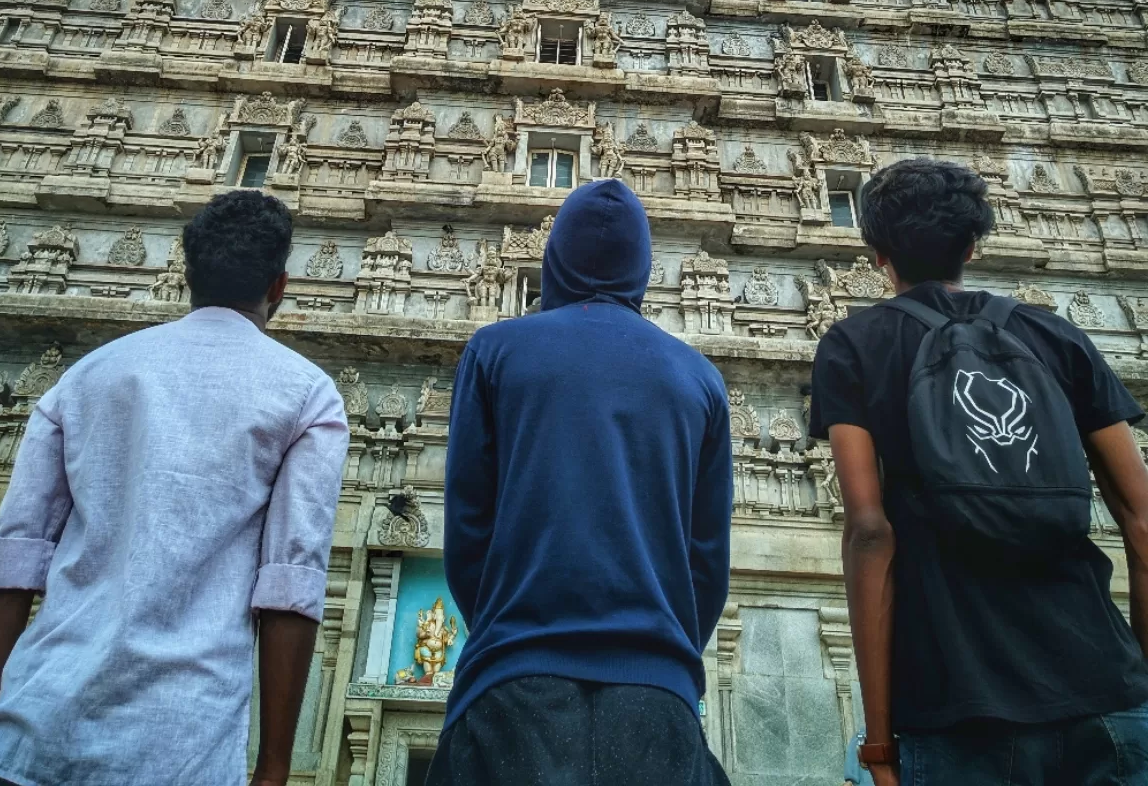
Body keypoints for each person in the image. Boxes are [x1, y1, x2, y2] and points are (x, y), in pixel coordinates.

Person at [810, 156, 1148, 786]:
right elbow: (1142, 519)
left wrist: (880, 742)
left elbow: (868, 531)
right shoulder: (1054, 334)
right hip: (1101, 686)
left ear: (876, 250)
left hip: (951, 703)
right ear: (973, 243)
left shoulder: (854, 345)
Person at [0, 190, 349, 786]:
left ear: (186, 275)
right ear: (279, 286)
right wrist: (274, 766)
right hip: (183, 737)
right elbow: (291, 581)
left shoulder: (87, 376)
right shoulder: (307, 395)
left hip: (35, 725)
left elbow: (16, 555)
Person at [429, 178, 733, 786]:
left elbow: (467, 527)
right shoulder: (699, 379)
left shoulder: (494, 351)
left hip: (513, 680)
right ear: (642, 266)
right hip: (657, 699)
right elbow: (706, 562)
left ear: (555, 259)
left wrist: (503, 624)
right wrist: (661, 650)